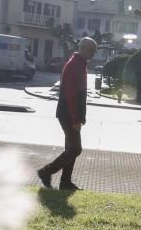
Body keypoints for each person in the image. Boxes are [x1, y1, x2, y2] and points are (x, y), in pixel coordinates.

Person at [37, 37, 97, 191]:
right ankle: (46, 172)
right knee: (75, 149)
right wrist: (75, 118)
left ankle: (65, 182)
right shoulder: (74, 65)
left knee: (71, 148)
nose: (93, 53)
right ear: (82, 48)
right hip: (68, 114)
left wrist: (79, 116)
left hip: (71, 114)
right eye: (91, 50)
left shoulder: (79, 64)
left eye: (94, 50)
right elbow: (71, 95)